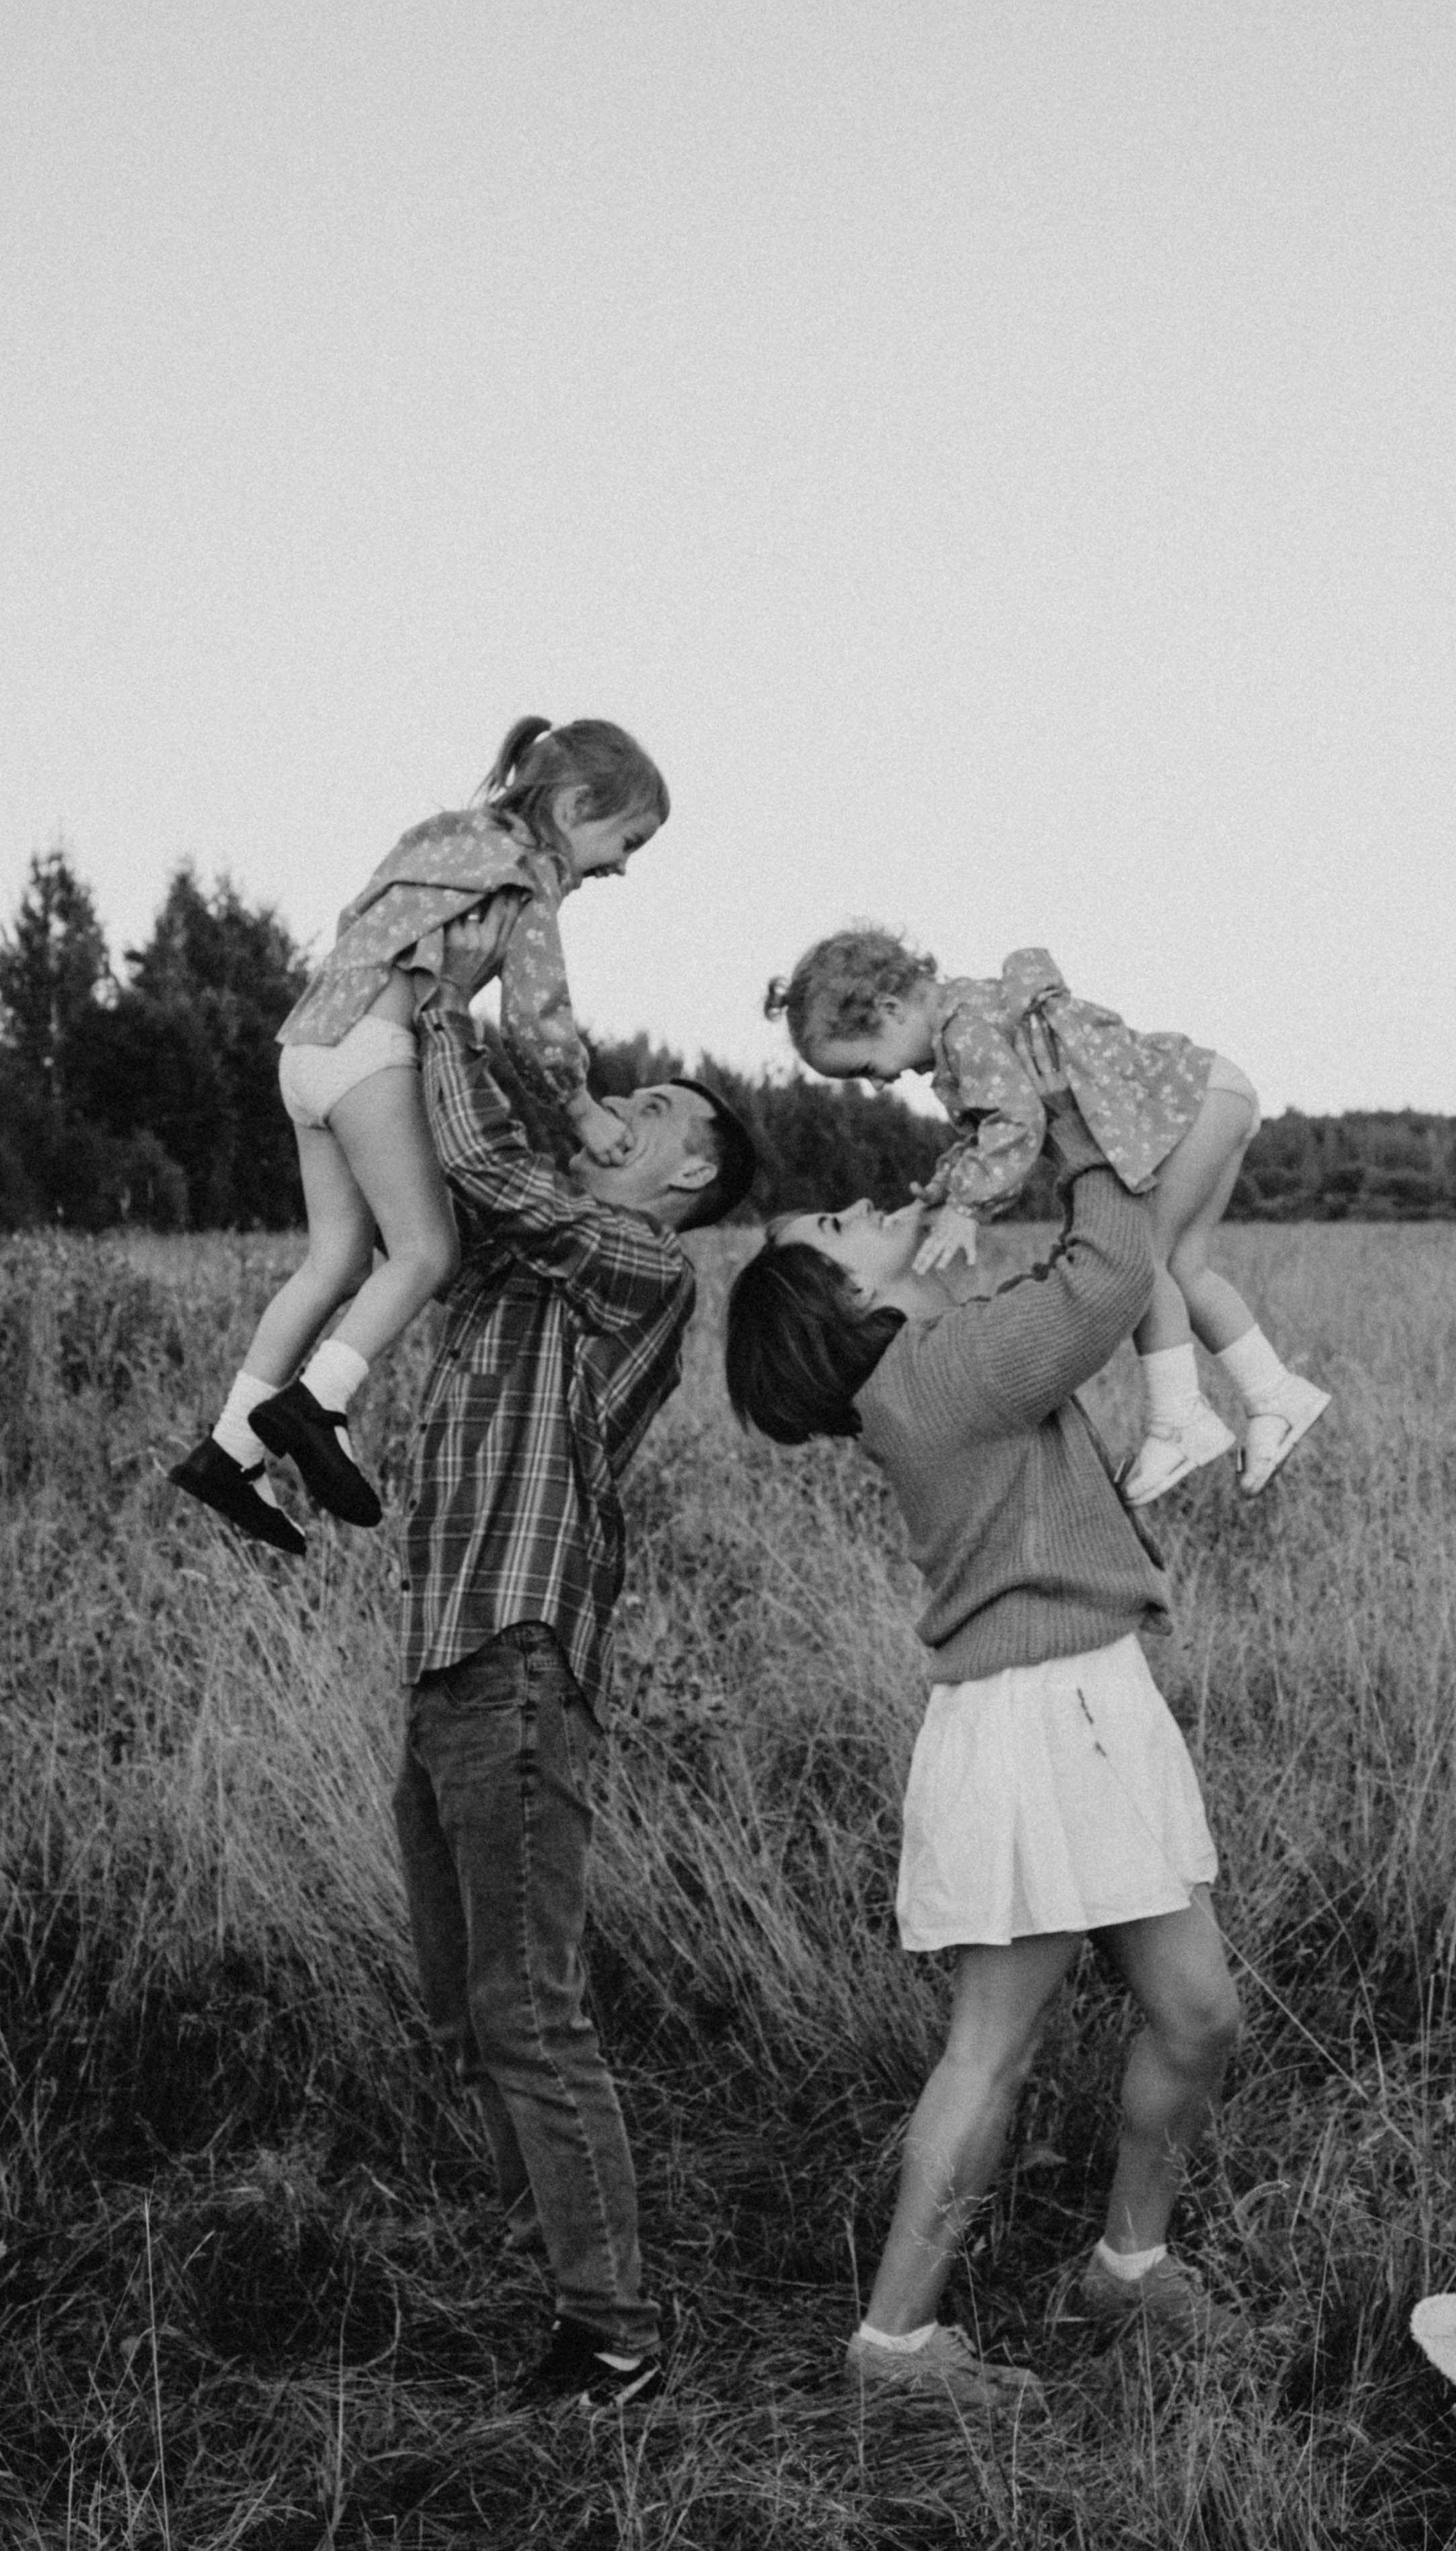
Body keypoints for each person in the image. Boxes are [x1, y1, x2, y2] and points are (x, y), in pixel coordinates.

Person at [723, 1037, 1245, 2413]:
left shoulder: (935, 1362)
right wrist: (1072, 1111)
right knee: (993, 2045)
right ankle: (896, 2343)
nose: (864, 1205)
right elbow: (1109, 1273)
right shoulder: (938, 1374)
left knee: (1196, 2015)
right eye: (838, 1227)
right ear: (846, 1298)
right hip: (1033, 1722)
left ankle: (1129, 2267)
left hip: (1091, 1700)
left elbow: (1063, 1284)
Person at [391, 895, 755, 2412]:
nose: (620, 1108)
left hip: (520, 1660)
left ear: (688, 1173)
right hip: (449, 1662)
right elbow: (452, 1185)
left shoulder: (639, 1264)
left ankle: (613, 2333)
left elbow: (485, 1166)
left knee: (529, 2010)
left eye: (653, 1109)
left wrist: (436, 1000)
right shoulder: (517, 1262)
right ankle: (554, 2249)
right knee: (467, 2006)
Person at [169, 715, 668, 1552]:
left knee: (334, 1263)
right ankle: (317, 1403)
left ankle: (229, 1450)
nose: (621, 865)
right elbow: (537, 1018)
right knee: (427, 1252)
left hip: (307, 1046)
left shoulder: (441, 838)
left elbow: (357, 923)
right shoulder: (527, 873)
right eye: (628, 841)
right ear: (577, 805)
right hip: (372, 1052)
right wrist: (581, 1108)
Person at [764, 928, 1328, 1505]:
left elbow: (1017, 1125)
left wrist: (967, 1207)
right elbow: (989, 1132)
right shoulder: (970, 1020)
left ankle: (1180, 1418)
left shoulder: (964, 1035)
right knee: (1186, 1269)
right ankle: (1276, 1394)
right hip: (1211, 1089)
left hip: (1188, 1105)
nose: (878, 1084)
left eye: (865, 1067)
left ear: (891, 1009)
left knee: (1145, 1262)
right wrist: (945, 1190)